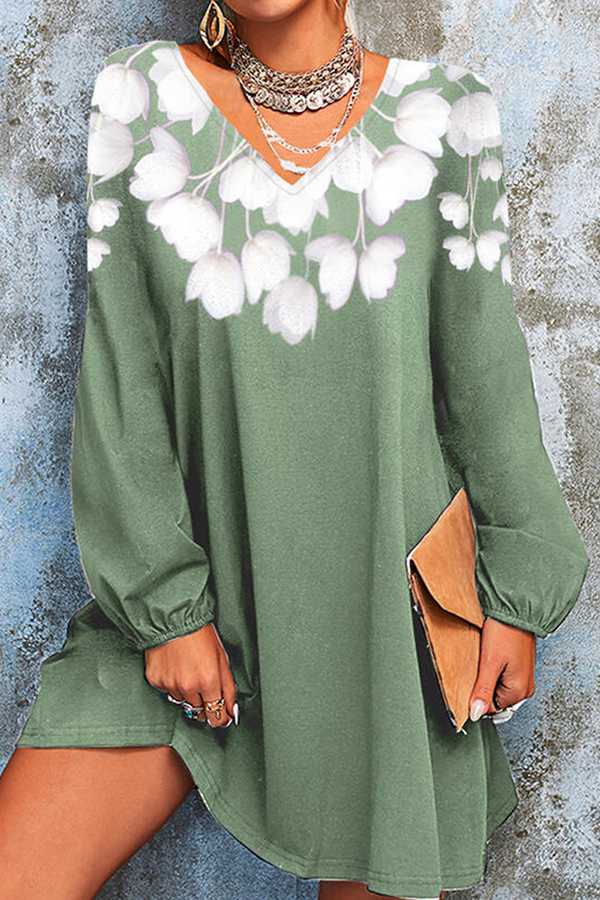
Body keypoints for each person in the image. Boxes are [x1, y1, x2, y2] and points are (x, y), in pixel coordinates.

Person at [0, 0, 589, 898]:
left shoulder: (447, 117)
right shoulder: (142, 98)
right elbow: (122, 374)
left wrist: (519, 593)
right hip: (196, 598)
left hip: (380, 621)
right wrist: (168, 611)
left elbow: (486, 386)